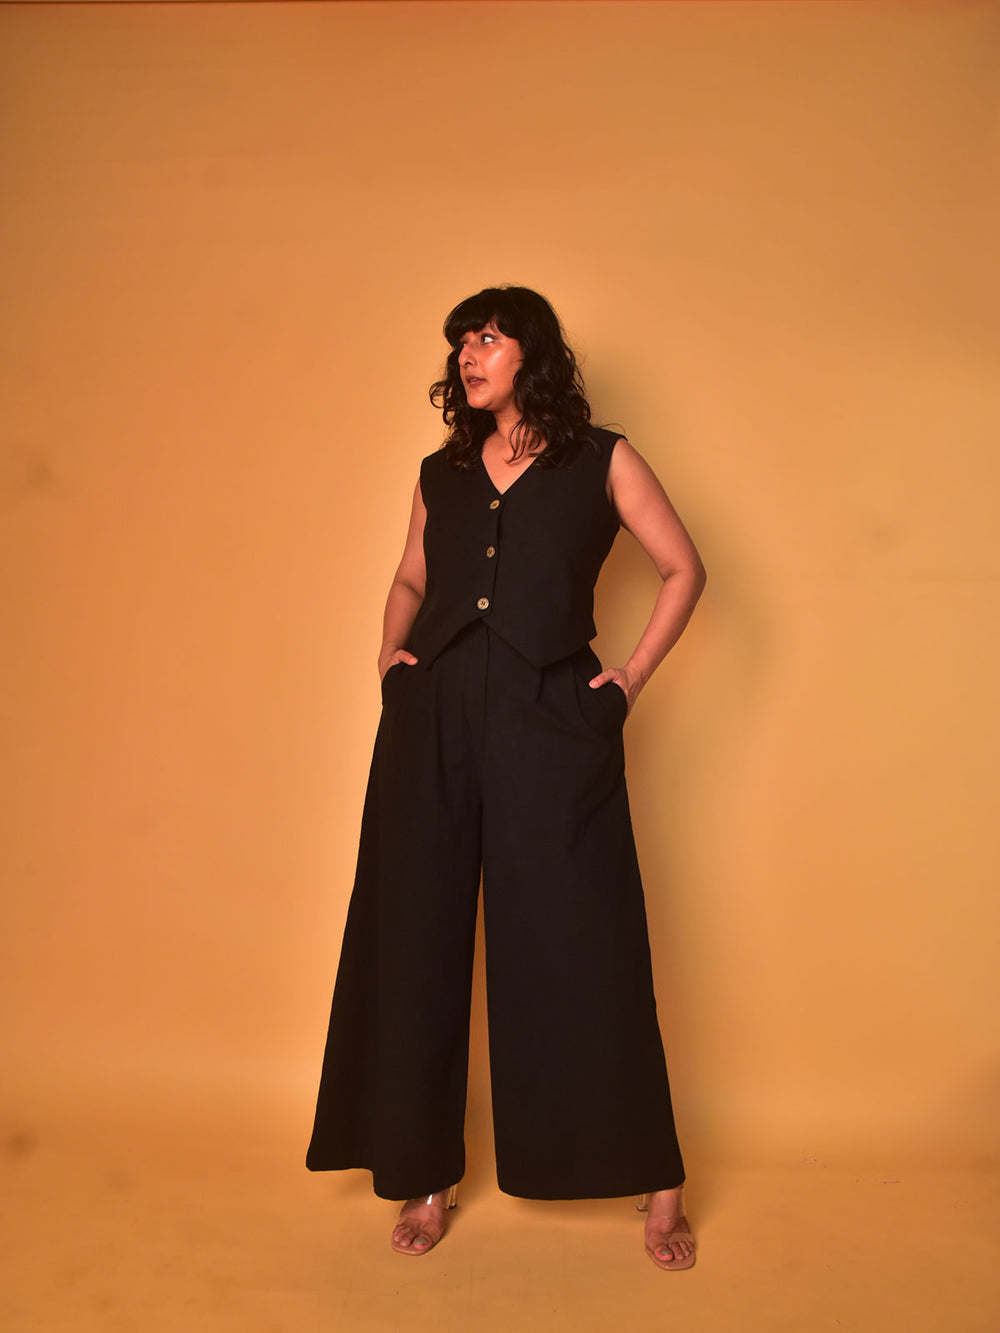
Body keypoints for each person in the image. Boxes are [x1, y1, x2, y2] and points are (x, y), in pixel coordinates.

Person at [306, 286, 706, 1271]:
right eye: (460, 342)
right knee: (415, 941)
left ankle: (655, 1179)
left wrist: (629, 678)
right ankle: (423, 1174)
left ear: (533, 353)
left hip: (551, 722)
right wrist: (390, 661)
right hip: (433, 719)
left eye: (487, 337)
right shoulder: (439, 472)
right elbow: (410, 576)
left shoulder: (602, 458)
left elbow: (683, 568)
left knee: (585, 941)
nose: (468, 355)